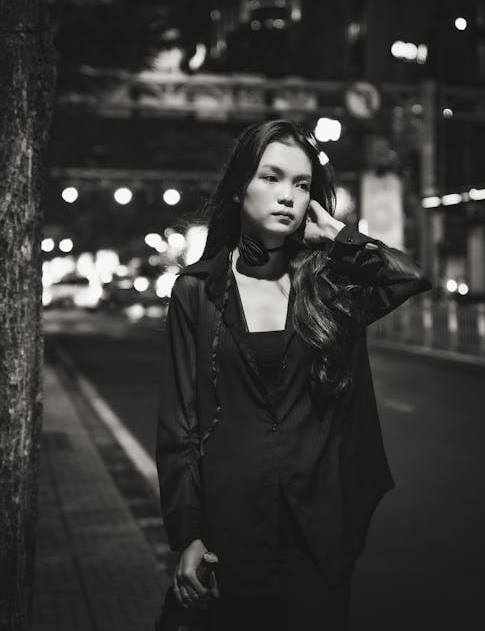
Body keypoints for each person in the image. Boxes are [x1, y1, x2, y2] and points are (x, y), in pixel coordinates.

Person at [156, 119, 432, 631]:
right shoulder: (198, 291)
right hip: (231, 529)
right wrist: (188, 533)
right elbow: (181, 426)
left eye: (301, 185)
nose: (288, 196)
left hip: (319, 531)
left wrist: (336, 236)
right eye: (271, 178)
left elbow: (410, 277)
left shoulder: (325, 286)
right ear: (241, 188)